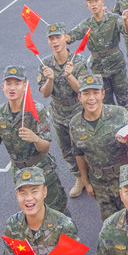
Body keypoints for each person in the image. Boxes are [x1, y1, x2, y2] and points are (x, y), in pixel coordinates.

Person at [0, 65, 69, 217]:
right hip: (20, 174)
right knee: (32, 213)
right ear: (3, 86)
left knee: (57, 211)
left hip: (42, 169)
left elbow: (45, 147)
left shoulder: (36, 110)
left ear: (25, 85)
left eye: (17, 83)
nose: (12, 88)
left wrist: (35, 138)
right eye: (8, 83)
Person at [69, 74, 128, 222]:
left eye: (95, 92)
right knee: (111, 224)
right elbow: (79, 155)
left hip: (123, 178)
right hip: (99, 182)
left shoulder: (119, 114)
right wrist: (86, 182)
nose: (91, 98)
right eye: (86, 93)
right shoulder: (75, 124)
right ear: (79, 97)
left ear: (103, 94)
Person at [38, 22, 88, 198]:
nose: (55, 41)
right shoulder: (45, 64)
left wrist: (70, 76)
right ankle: (80, 178)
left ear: (65, 38)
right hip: (59, 115)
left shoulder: (78, 61)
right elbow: (44, 94)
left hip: (79, 113)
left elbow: (83, 91)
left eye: (58, 37)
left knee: (85, 146)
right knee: (67, 150)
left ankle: (92, 177)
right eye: (51, 38)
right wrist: (49, 80)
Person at [67, 0, 128, 114]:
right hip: (99, 68)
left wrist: (125, 20)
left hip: (116, 65)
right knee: (106, 101)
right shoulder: (86, 24)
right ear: (87, 6)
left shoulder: (114, 19)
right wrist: (62, 37)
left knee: (123, 99)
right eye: (90, 2)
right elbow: (71, 36)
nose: (93, 4)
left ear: (102, 2)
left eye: (96, 1)